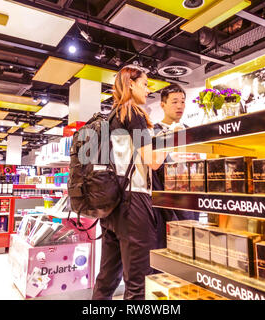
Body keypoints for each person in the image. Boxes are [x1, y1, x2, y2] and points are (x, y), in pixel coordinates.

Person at [92, 65, 167, 300]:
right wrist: (169, 139)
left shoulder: (114, 115)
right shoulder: (133, 113)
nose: (148, 90)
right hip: (134, 203)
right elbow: (152, 161)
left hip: (112, 206)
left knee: (107, 278)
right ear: (131, 83)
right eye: (145, 84)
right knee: (138, 283)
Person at [152, 84, 199, 249]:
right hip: (165, 204)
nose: (180, 106)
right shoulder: (154, 132)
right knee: (166, 250)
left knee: (191, 250)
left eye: (183, 102)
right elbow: (153, 167)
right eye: (174, 102)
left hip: (189, 202)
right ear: (162, 104)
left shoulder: (189, 131)